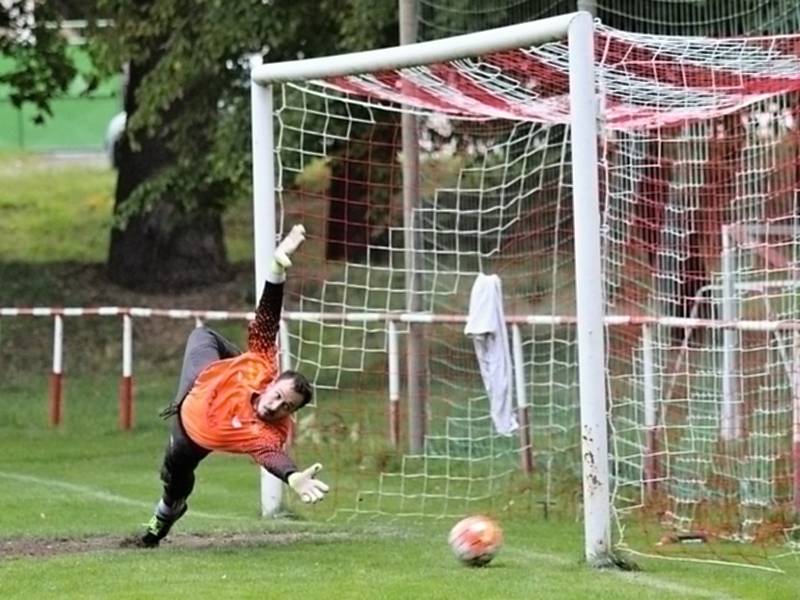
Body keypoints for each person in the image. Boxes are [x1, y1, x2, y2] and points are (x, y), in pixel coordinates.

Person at [138, 224, 329, 548]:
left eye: (287, 407)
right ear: (271, 383)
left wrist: (293, 477)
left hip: (192, 432)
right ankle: (222, 376)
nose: (277, 406)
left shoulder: (268, 434)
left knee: (173, 485)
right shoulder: (263, 365)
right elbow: (267, 318)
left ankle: (165, 516)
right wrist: (277, 267)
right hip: (204, 377)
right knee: (203, 336)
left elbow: (272, 457)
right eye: (279, 396)